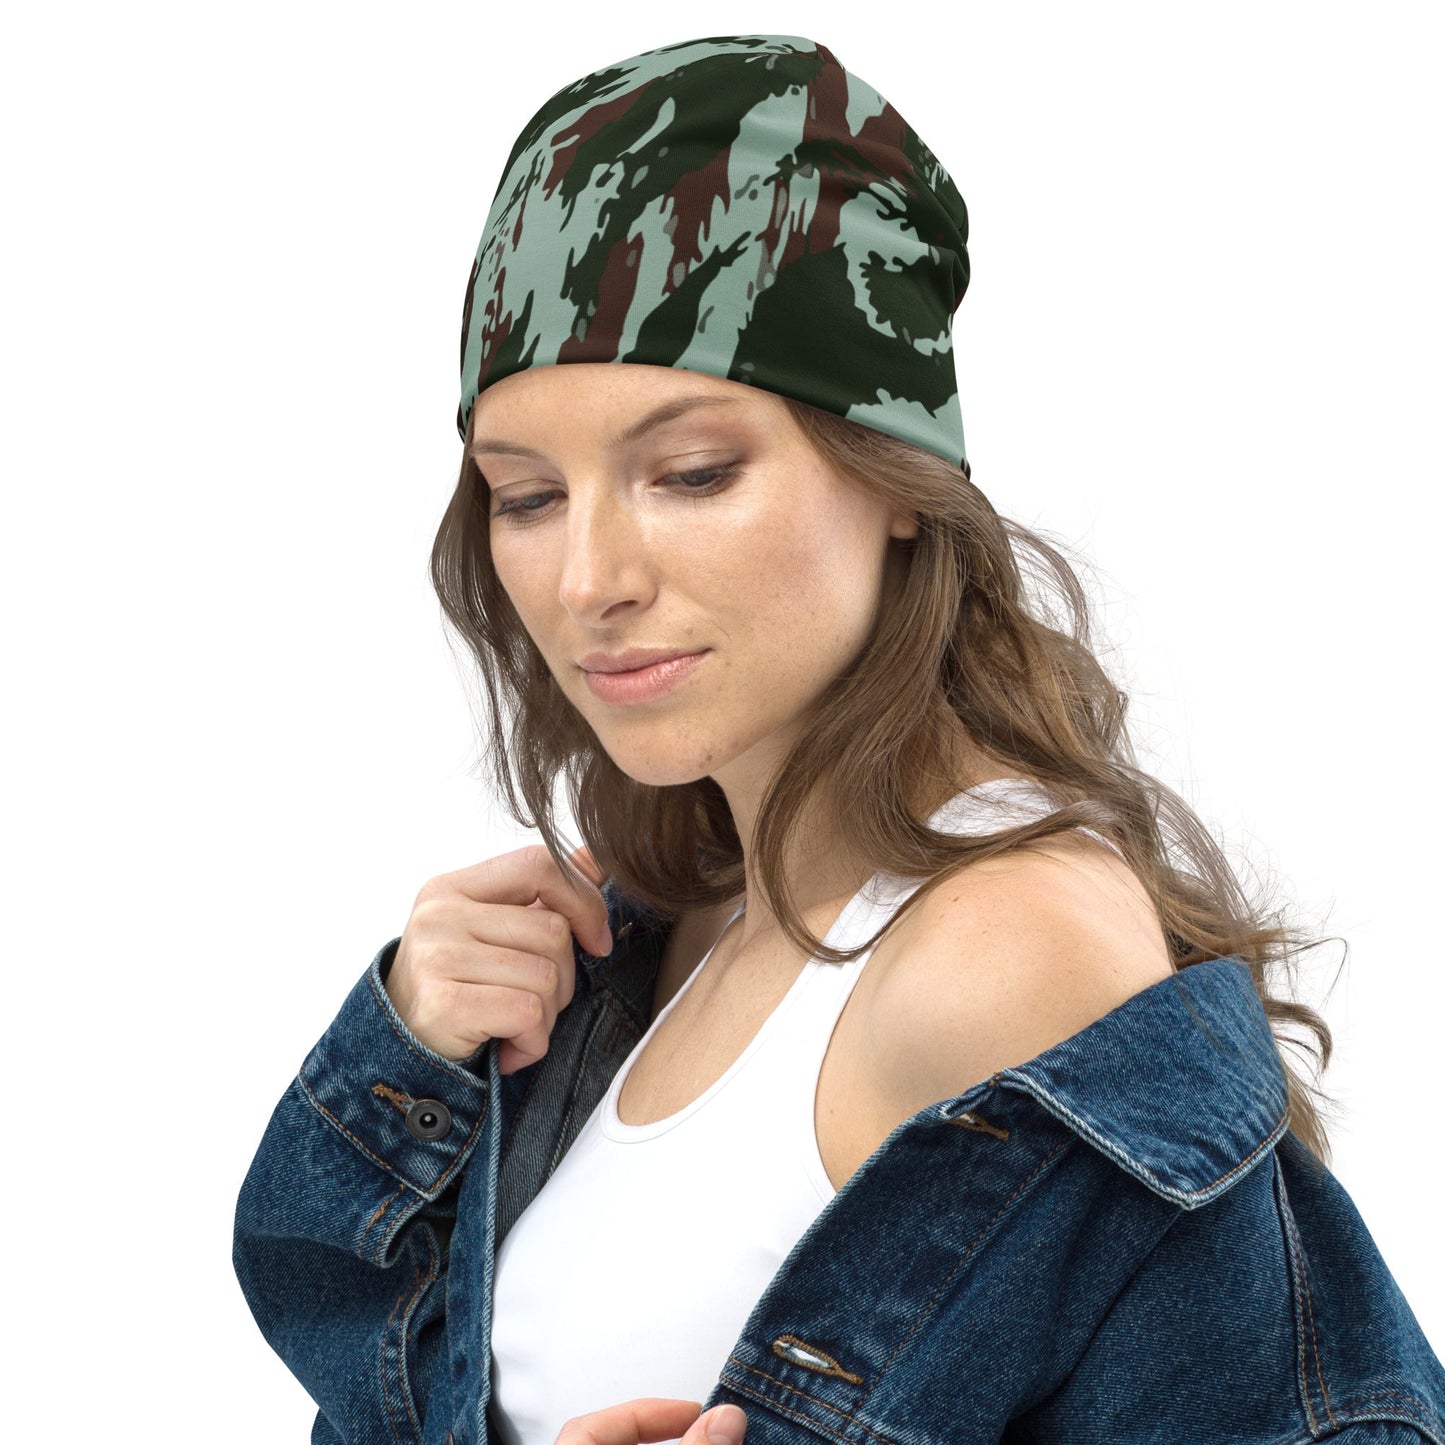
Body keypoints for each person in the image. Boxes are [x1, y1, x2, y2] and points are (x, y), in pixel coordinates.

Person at [233, 33, 1445, 1445]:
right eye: (526, 497)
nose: (587, 580)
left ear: (900, 477)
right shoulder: (657, 925)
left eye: (692, 473)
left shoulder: (1002, 955)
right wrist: (411, 1055)